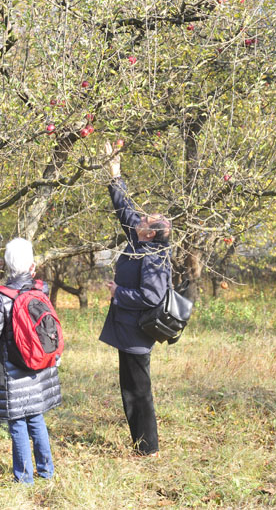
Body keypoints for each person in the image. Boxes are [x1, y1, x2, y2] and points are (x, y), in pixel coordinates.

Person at [100, 140, 171, 457]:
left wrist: (118, 293)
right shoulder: (138, 240)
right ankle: (141, 445)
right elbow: (124, 207)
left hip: (137, 333)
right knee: (130, 389)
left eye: (147, 219)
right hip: (127, 332)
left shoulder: (154, 257)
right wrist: (114, 171)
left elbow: (151, 295)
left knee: (139, 392)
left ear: (151, 233)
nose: (141, 217)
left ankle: (149, 449)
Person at [0, 238, 62, 484]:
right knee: (36, 419)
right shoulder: (40, 291)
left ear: (5, 265)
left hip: (12, 373)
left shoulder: (2, 296)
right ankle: (47, 472)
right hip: (39, 370)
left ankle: (24, 478)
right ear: (32, 266)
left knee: (17, 424)